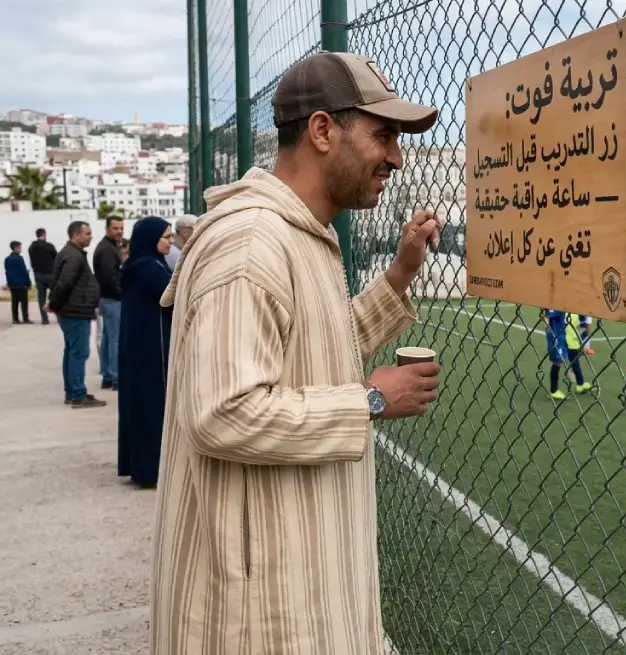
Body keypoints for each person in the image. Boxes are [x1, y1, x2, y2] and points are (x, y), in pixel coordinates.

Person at [150, 51, 443, 655]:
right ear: (322, 130)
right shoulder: (252, 244)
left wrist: (397, 277)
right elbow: (223, 412)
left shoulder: (299, 235)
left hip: (290, 575)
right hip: (259, 613)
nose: (395, 157)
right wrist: (370, 399)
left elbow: (316, 348)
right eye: (383, 134)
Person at [116, 217, 175, 489]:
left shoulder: (137, 265)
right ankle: (153, 467)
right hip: (153, 346)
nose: (171, 241)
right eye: (166, 237)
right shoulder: (151, 268)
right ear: (152, 239)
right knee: (153, 403)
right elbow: (173, 298)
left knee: (138, 402)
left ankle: (139, 464)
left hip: (137, 343)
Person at [48, 221, 105, 408]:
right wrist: (53, 303)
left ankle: (72, 392)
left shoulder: (71, 253)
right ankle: (78, 394)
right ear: (76, 235)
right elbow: (64, 283)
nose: (90, 237)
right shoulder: (73, 256)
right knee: (79, 353)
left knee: (72, 353)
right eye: (87, 234)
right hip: (75, 311)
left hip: (73, 310)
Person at [93, 216, 124, 391]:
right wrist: (121, 294)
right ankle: (115, 376)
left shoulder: (110, 247)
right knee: (115, 339)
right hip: (112, 299)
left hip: (107, 298)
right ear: (107, 229)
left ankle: (107, 374)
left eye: (121, 228)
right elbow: (109, 278)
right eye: (115, 228)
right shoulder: (107, 250)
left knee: (107, 338)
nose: (119, 231)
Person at [29, 228, 57, 325]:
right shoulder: (49, 246)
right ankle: (58, 316)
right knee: (54, 295)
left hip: (38, 274)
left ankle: (44, 319)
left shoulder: (31, 247)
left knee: (41, 297)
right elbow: (56, 258)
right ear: (44, 235)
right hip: (50, 274)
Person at [5, 241, 32, 324]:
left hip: (12, 284)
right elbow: (23, 271)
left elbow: (7, 271)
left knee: (14, 302)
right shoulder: (19, 258)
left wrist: (9, 283)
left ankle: (15, 319)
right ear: (16, 248)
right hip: (21, 284)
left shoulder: (7, 259)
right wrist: (28, 282)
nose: (20, 249)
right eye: (19, 247)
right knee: (24, 302)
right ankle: (25, 318)